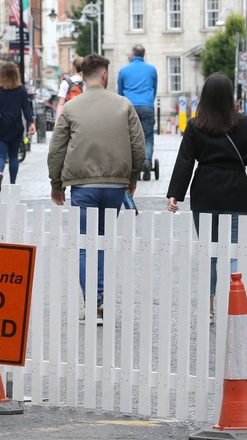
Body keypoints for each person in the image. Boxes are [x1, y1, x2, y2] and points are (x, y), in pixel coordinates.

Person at [166, 73, 247, 321]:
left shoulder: (197, 125)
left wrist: (175, 193)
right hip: (236, 192)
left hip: (205, 193)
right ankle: (234, 303)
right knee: (235, 251)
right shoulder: (245, 124)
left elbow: (185, 160)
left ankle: (209, 306)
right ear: (231, 97)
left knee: (210, 252)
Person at [48, 54, 145, 324]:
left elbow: (56, 149)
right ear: (104, 74)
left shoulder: (70, 108)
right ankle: (102, 299)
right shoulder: (123, 105)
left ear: (83, 75)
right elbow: (139, 146)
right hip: (115, 185)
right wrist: (132, 178)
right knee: (103, 242)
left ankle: (94, 302)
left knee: (85, 245)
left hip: (83, 185)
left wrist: (56, 184)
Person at [0, 62, 35, 192]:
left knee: (0, 155)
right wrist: (31, 123)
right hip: (15, 127)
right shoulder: (21, 89)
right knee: (13, 156)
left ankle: (0, 173)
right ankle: (12, 183)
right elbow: (26, 109)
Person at [117, 44, 157, 181]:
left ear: (132, 55)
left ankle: (135, 165)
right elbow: (154, 88)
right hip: (147, 106)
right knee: (148, 137)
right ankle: (147, 161)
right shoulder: (152, 70)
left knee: (131, 137)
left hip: (130, 106)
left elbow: (120, 93)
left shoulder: (124, 70)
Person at [54, 56, 83, 122]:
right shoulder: (85, 83)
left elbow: (61, 103)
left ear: (74, 68)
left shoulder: (65, 83)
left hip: (69, 117)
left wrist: (57, 121)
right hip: (82, 118)